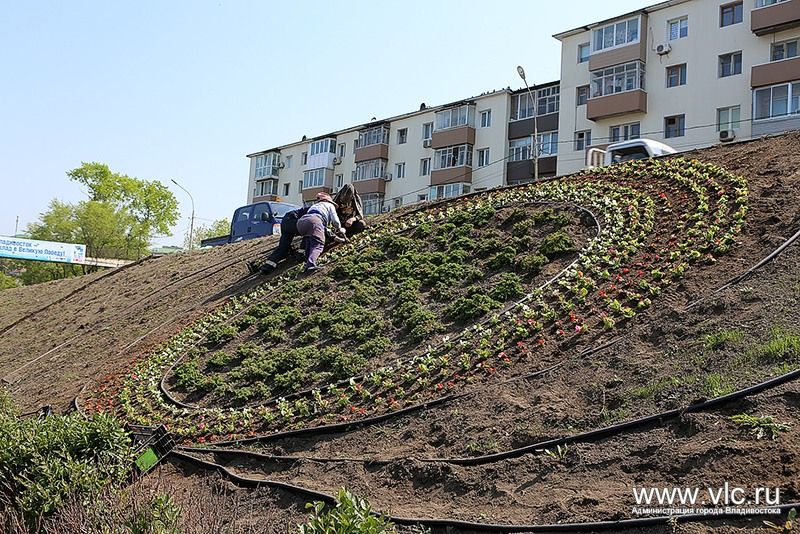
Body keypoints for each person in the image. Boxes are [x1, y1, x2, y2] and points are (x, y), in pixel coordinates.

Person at [249, 205, 309, 274]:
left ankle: (268, 266)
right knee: (309, 231)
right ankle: (301, 254)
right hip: (293, 219)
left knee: (283, 246)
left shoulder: (312, 208)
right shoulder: (317, 210)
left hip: (286, 220)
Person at [296, 192, 344, 272]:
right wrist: (339, 228)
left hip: (301, 222)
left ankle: (307, 264)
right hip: (315, 221)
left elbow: (323, 228)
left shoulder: (314, 206)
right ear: (328, 201)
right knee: (318, 244)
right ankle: (311, 264)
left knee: (309, 242)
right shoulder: (329, 205)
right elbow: (335, 220)